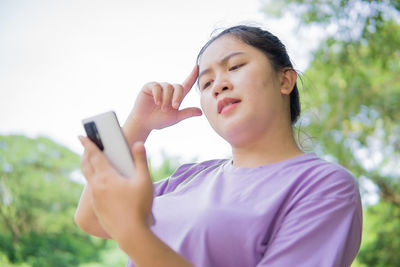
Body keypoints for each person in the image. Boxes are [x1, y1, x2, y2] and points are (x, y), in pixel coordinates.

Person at [75, 25, 362, 267]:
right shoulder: (190, 177)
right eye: (206, 82)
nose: (218, 86)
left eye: (235, 67)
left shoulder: (325, 186)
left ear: (285, 79)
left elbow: (125, 227)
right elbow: (93, 218)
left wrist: (133, 233)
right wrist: (140, 123)